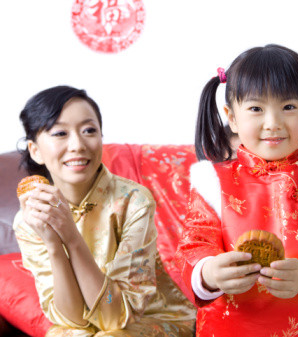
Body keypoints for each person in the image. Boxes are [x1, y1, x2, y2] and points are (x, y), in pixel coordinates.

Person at [175, 44, 298, 337]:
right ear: (232, 116)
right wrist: (212, 271)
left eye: (288, 107)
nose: (273, 123)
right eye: (256, 108)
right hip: (229, 326)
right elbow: (193, 245)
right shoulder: (211, 182)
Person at [14, 86, 195, 337]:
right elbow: (73, 320)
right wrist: (54, 244)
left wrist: (71, 237)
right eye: (60, 133)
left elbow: (116, 316)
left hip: (153, 319)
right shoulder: (29, 220)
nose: (77, 145)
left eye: (89, 130)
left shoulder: (134, 201)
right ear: (35, 150)